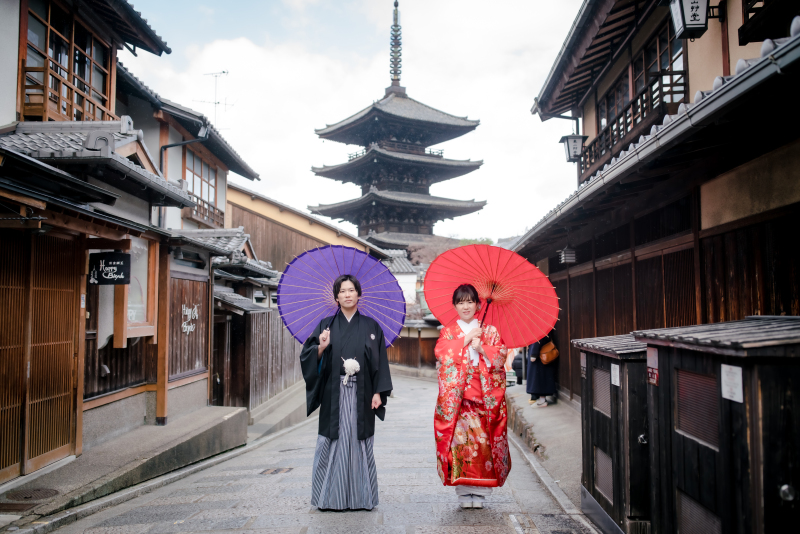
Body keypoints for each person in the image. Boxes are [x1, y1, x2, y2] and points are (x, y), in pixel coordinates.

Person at [300, 274, 393, 511]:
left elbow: (380, 361)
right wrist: (321, 347)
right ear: (336, 298)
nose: (347, 295)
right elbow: (307, 356)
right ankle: (329, 498)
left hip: (363, 393)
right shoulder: (326, 326)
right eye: (342, 291)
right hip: (334, 393)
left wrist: (378, 392)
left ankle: (362, 498)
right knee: (333, 440)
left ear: (359, 294)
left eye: (351, 290)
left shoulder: (372, 326)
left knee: (359, 441)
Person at [433, 283, 510, 509]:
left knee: (482, 446)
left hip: (483, 397)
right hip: (458, 400)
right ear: (455, 306)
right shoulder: (448, 332)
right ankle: (463, 492)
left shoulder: (490, 331)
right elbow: (441, 353)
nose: (465, 306)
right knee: (460, 446)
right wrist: (465, 340)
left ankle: (480, 492)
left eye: (470, 302)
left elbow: (501, 355)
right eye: (461, 302)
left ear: (478, 305)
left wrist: (483, 348)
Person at [526, 337, 557, 407]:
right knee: (541, 378)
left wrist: (533, 353)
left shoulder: (537, 333)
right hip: (541, 354)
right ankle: (542, 399)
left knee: (539, 379)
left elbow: (537, 340)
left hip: (539, 357)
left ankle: (542, 401)